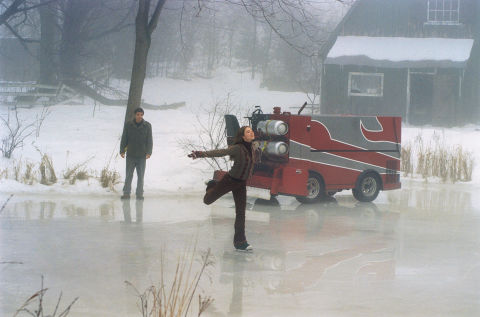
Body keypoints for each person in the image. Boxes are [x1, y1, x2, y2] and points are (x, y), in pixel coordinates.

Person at [188, 126, 256, 252]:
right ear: (242, 136)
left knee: (241, 213)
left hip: (241, 184)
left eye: (251, 130)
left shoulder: (253, 147)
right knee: (207, 201)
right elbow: (221, 152)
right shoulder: (237, 148)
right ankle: (212, 185)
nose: (251, 132)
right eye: (248, 131)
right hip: (230, 180)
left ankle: (240, 243)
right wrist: (200, 154)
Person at [120, 107, 153, 200]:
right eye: (138, 114)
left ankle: (139, 194)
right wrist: (122, 151)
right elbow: (124, 138)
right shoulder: (128, 125)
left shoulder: (147, 126)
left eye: (141, 115)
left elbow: (149, 140)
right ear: (135, 115)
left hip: (142, 156)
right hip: (130, 155)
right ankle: (126, 193)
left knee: (140, 176)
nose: (139, 116)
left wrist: (149, 152)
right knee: (129, 175)